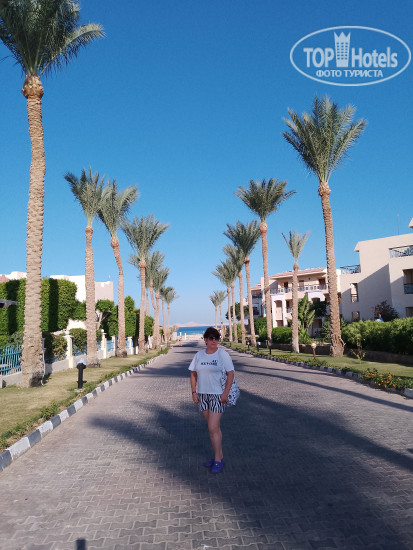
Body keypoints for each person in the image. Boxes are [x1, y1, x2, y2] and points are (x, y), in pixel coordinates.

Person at [189, 326, 235, 474]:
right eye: (211, 338)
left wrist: (225, 393)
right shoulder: (199, 355)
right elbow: (193, 374)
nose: (214, 341)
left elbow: (231, 374)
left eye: (216, 338)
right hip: (203, 395)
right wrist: (194, 392)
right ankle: (220, 456)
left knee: (212, 428)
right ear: (205, 340)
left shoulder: (222, 354)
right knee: (214, 428)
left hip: (217, 395)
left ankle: (217, 460)